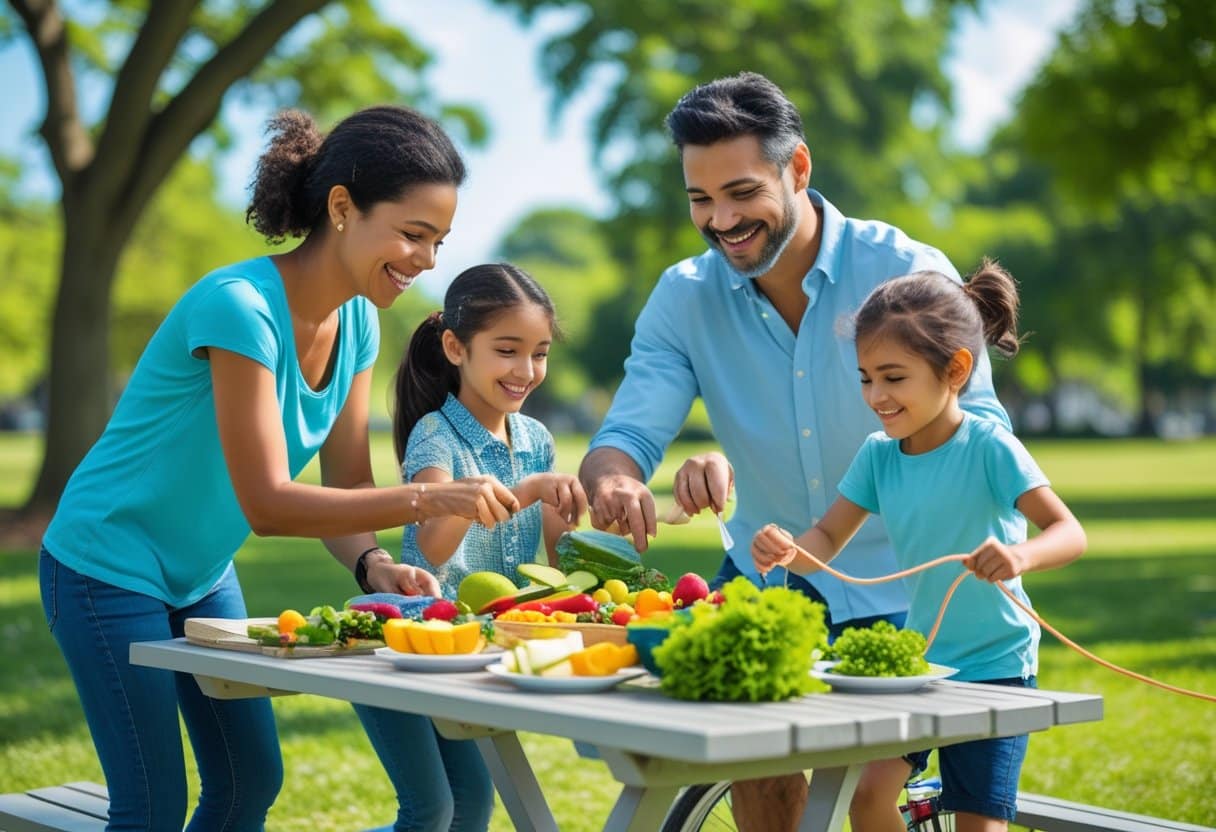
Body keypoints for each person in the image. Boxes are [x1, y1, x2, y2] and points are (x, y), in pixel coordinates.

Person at [38, 105, 521, 832]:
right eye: (413, 234)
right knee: (151, 807)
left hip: (199, 572)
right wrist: (427, 500)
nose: (427, 260)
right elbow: (267, 504)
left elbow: (348, 485)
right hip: (103, 564)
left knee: (250, 781)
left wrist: (373, 567)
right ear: (341, 209)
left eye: (438, 241)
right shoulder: (240, 308)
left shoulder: (357, 320)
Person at [577, 71, 1010, 830]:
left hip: (913, 586)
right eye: (700, 200)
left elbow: (982, 433)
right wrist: (616, 482)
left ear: (798, 169)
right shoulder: (683, 296)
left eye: (741, 193)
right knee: (757, 772)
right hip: (774, 572)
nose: (720, 219)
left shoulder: (906, 272)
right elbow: (628, 435)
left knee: (865, 795)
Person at [753, 261, 1087, 831]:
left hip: (996, 668)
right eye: (865, 378)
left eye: (893, 377)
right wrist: (786, 550)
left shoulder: (989, 447)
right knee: (867, 795)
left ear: (955, 370)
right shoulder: (879, 456)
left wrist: (1019, 556)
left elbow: (1069, 532)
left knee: (977, 822)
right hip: (924, 666)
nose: (875, 395)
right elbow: (828, 537)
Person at [352, 262, 587, 832]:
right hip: (413, 645)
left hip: (477, 654)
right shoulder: (436, 433)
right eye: (507, 350)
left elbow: (560, 561)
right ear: (456, 348)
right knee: (432, 809)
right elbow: (432, 546)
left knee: (471, 808)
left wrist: (578, 515)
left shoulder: (537, 438)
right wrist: (526, 491)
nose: (527, 370)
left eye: (540, 353)